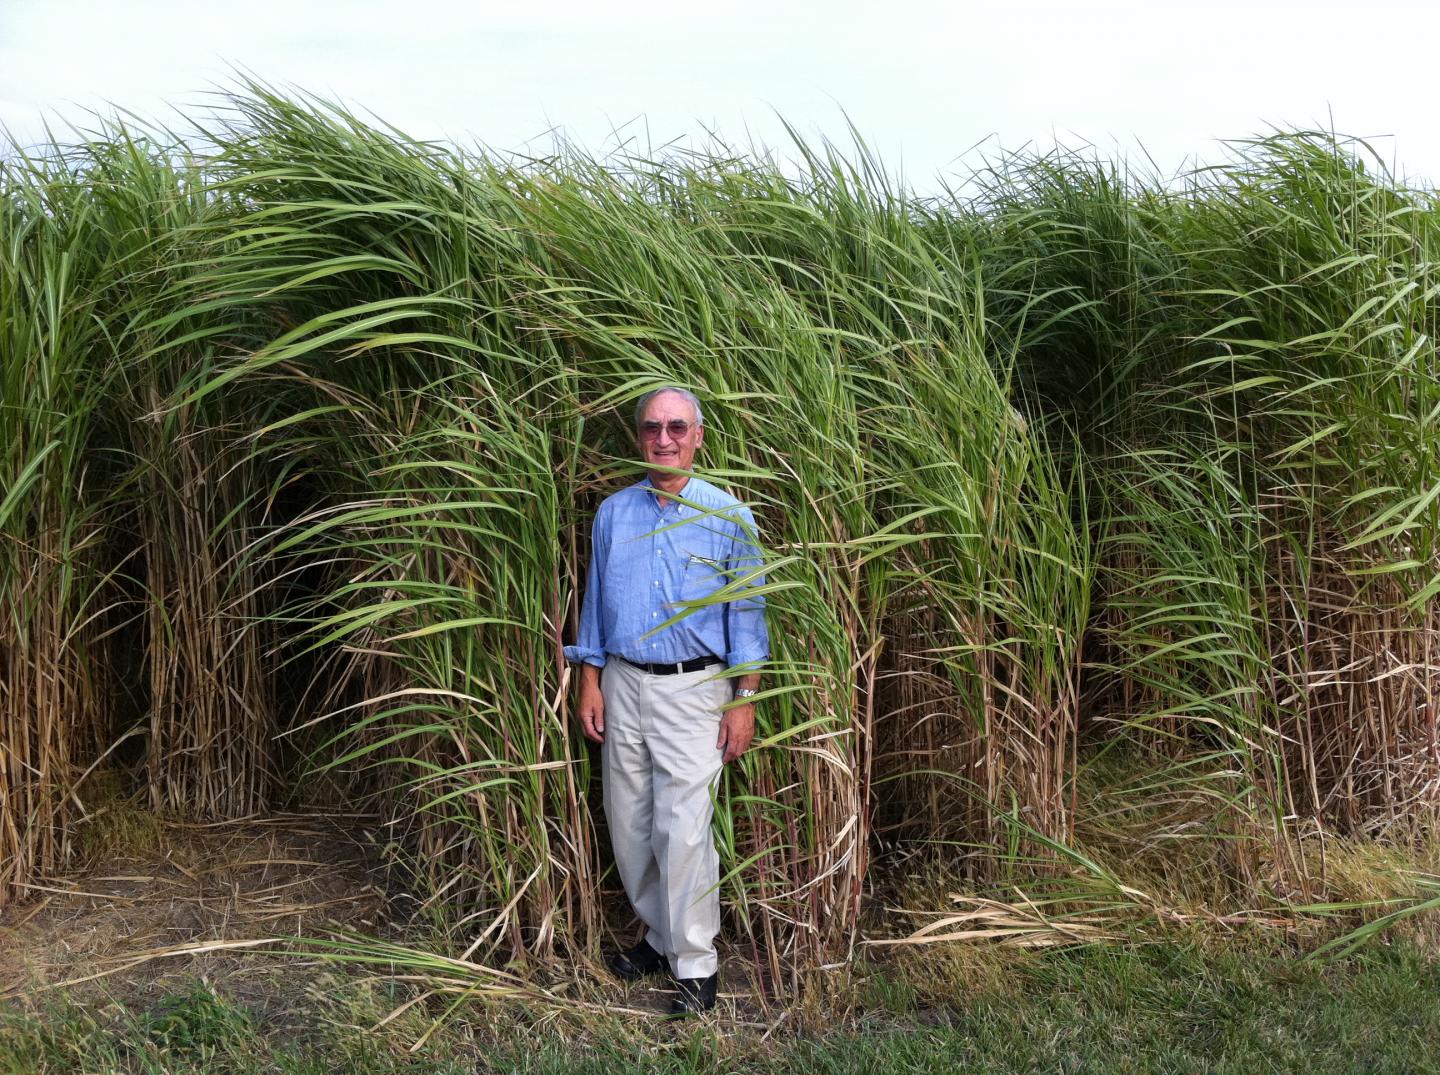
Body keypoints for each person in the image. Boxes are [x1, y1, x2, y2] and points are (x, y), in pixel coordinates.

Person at [564, 386, 769, 1017]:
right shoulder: (613, 513)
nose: (664, 439)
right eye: (653, 428)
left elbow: (748, 613)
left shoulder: (728, 515)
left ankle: (696, 965)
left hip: (695, 689)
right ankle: (659, 938)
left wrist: (744, 697)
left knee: (684, 831)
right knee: (629, 825)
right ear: (639, 437)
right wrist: (590, 678)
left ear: (698, 435)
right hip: (623, 683)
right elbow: (596, 603)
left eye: (677, 427)